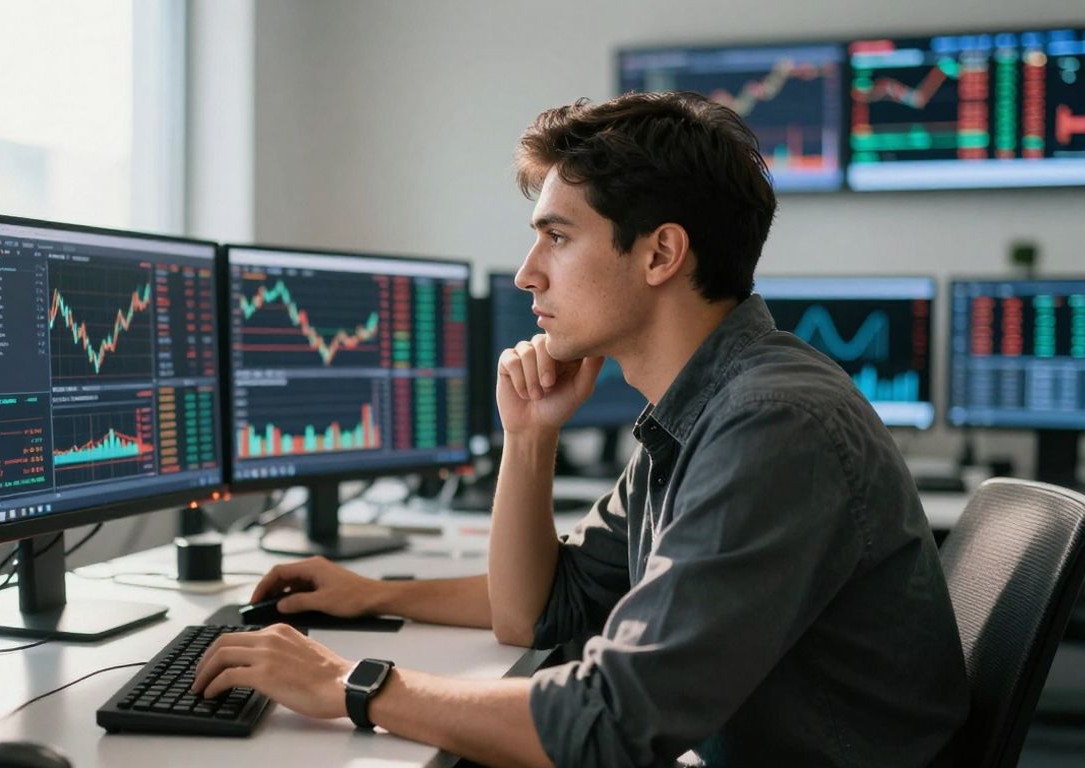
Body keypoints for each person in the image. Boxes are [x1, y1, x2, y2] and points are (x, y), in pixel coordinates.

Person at [192, 91, 970, 767]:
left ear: (661, 253)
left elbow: (610, 724)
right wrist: (528, 438)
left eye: (558, 237)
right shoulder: (705, 409)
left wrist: (349, 684)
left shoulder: (772, 425)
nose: (529, 271)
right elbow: (534, 611)